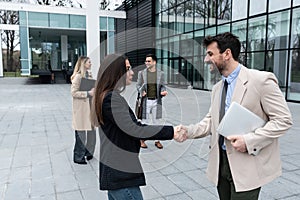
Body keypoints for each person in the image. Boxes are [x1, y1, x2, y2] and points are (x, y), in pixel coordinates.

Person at [178, 32, 293, 200]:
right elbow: (211, 122)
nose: (205, 59)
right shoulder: (218, 88)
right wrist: (188, 131)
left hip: (247, 165)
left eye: (210, 54)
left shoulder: (260, 80)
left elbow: (283, 120)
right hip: (221, 163)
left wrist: (249, 141)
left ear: (227, 54)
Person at [90, 54, 186, 200]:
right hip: (120, 174)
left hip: (117, 172)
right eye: (128, 69)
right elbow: (136, 129)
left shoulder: (107, 96)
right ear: (116, 73)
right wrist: (171, 131)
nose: (132, 72)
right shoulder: (111, 98)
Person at [136, 54, 168, 149]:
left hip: (156, 101)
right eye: (146, 61)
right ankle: (142, 140)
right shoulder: (141, 73)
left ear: (154, 62)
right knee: (144, 121)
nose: (146, 63)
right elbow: (138, 85)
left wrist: (163, 91)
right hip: (146, 101)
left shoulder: (161, 73)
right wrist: (141, 91)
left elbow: (163, 85)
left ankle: (157, 140)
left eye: (149, 61)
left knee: (157, 121)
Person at [70, 56, 96, 165]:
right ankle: (78, 156)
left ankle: (89, 153)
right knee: (81, 133)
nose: (91, 64)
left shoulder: (89, 75)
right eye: (89, 62)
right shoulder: (77, 77)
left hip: (90, 107)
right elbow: (73, 92)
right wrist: (87, 94)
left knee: (92, 132)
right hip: (81, 109)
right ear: (83, 64)